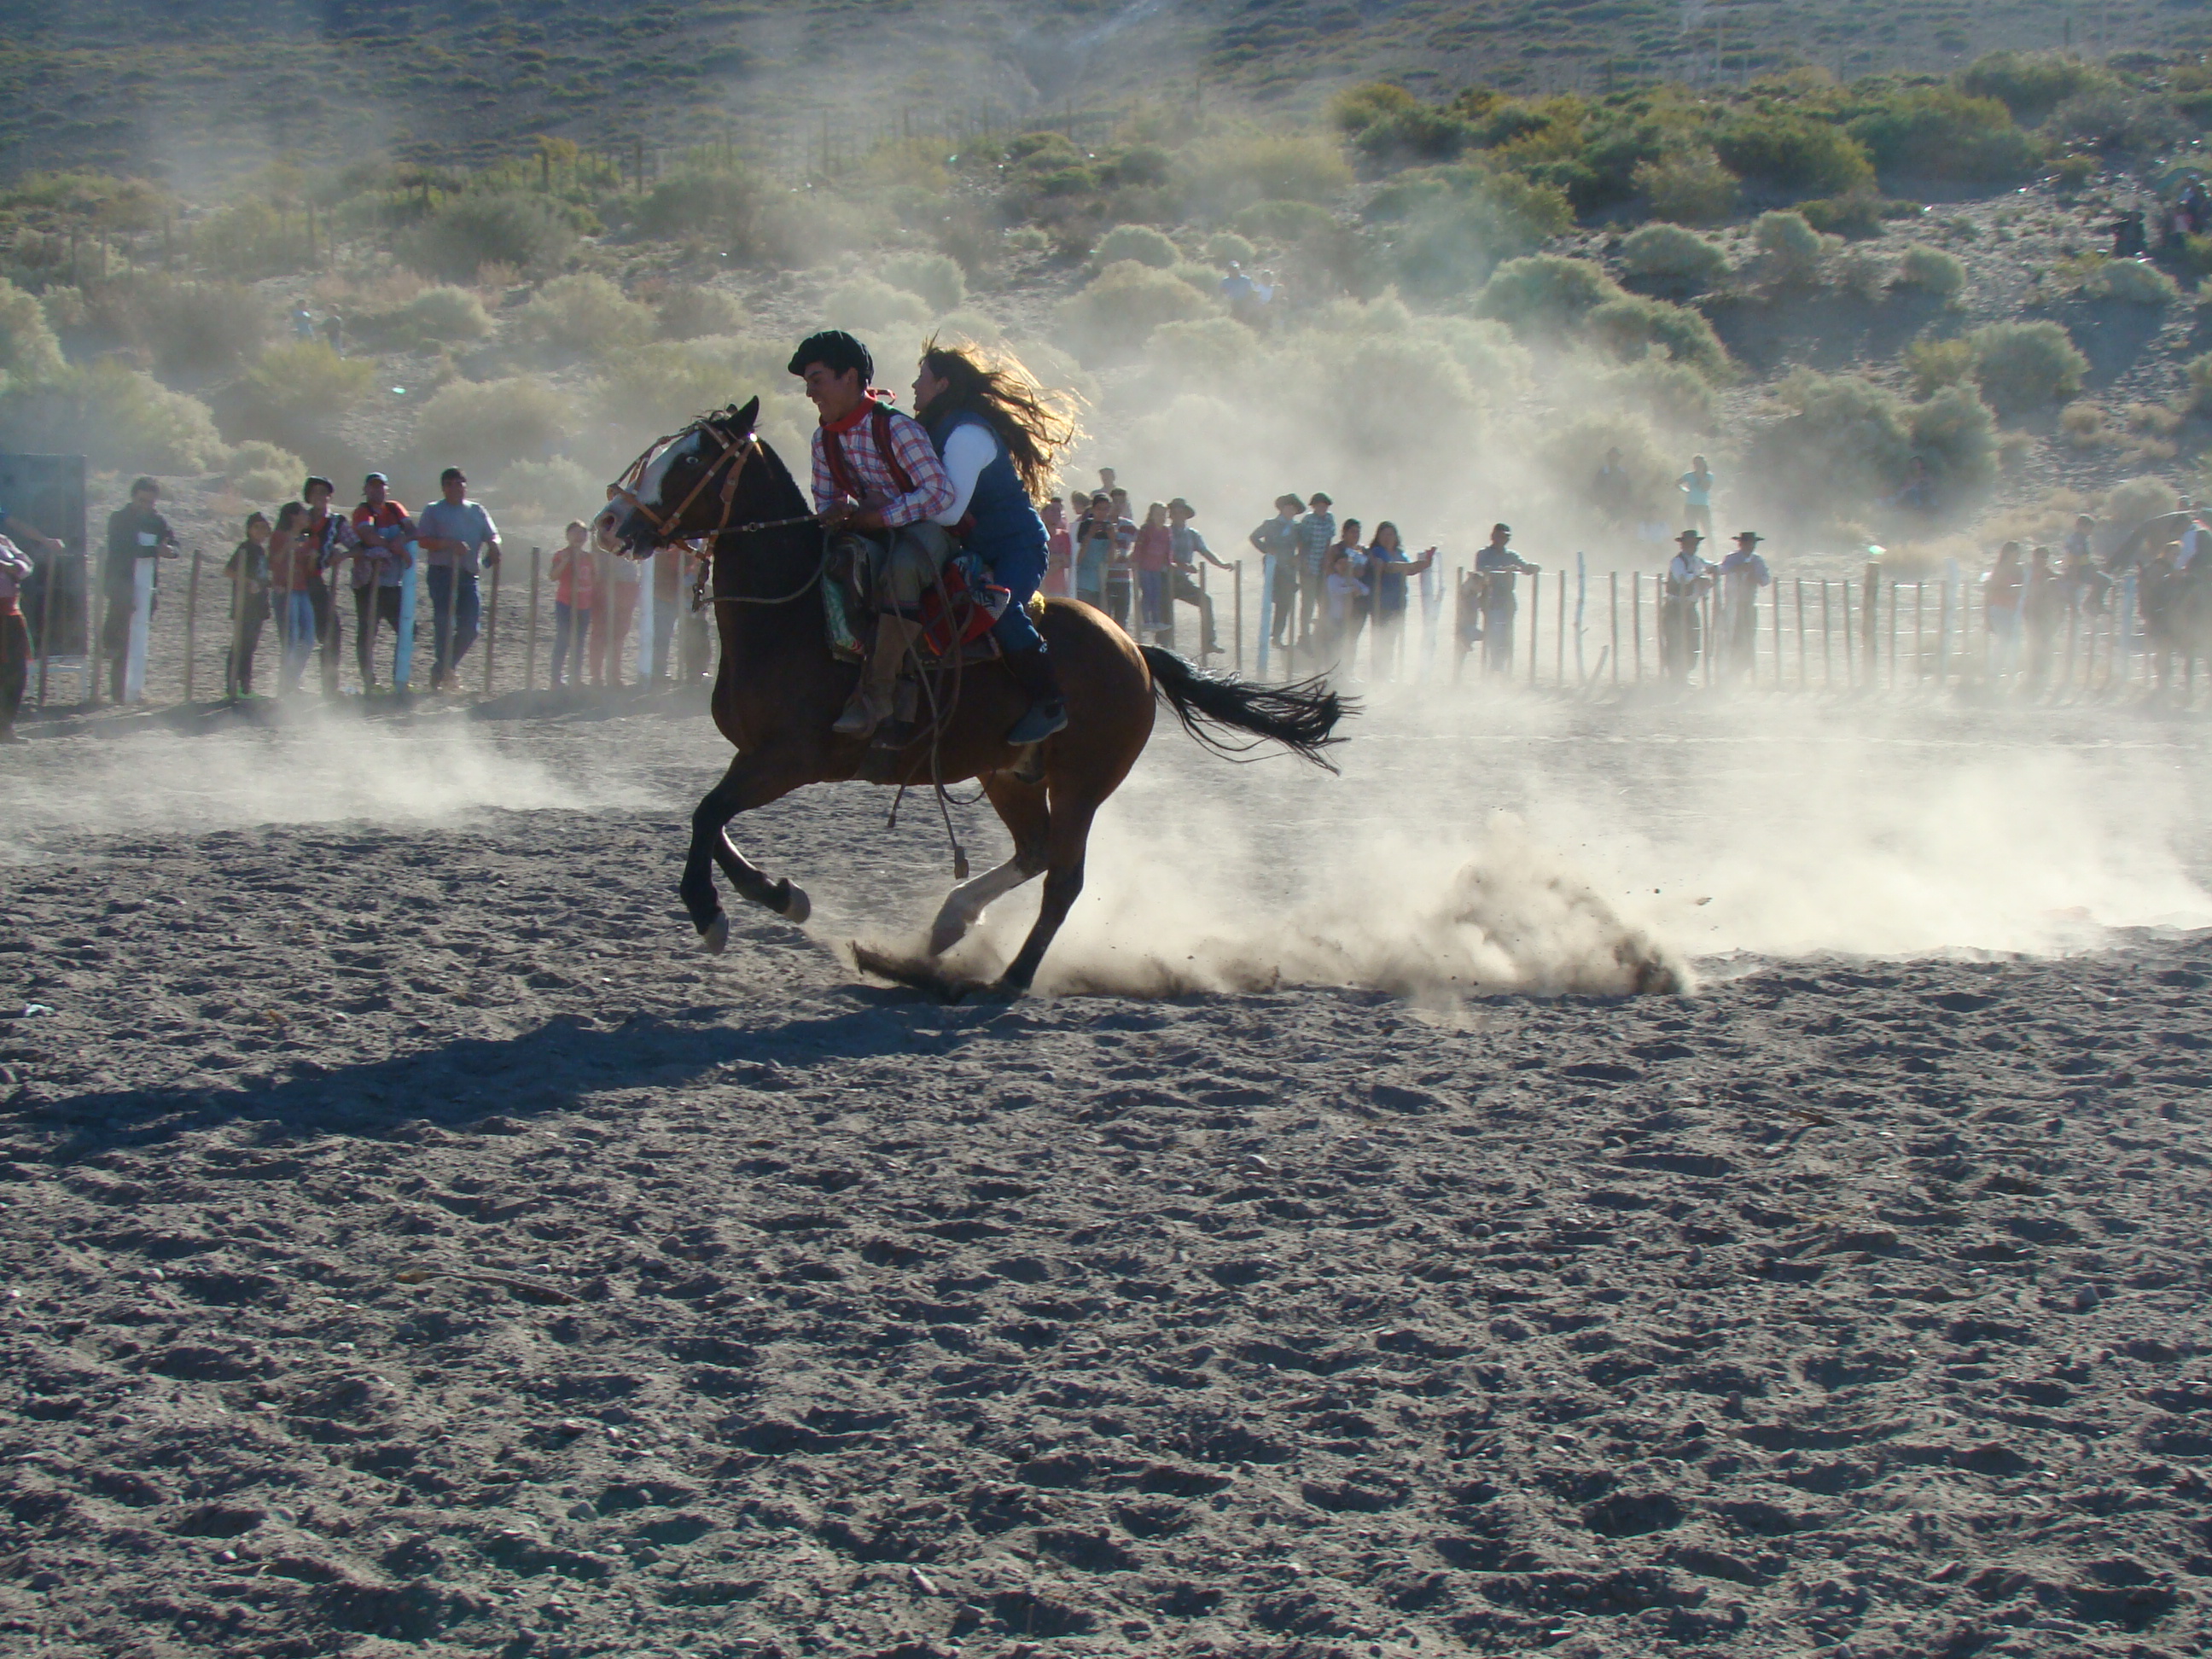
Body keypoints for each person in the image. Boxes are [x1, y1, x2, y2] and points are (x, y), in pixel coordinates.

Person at [910, 337, 1082, 742]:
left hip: (1017, 547)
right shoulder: (936, 429)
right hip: (977, 549)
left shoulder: (967, 435)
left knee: (998, 610)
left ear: (943, 385)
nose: (915, 386)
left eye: (922, 378)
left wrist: (893, 510)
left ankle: (1050, 702)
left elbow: (950, 512)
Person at [788, 329, 958, 738]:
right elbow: (827, 501)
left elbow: (940, 493)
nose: (810, 393)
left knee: (901, 569)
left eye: (817, 380)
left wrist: (881, 517)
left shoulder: (897, 429)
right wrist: (835, 516)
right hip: (871, 529)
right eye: (808, 384)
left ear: (850, 377)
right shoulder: (823, 440)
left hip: (927, 531)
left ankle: (879, 694)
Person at [415, 466, 501, 690]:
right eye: (449, 484)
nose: (454, 488)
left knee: (470, 628)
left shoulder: (477, 510)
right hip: (441, 573)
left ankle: (443, 668)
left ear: (465, 486)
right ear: (443, 488)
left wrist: (494, 545)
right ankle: (445, 672)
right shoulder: (433, 510)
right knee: (444, 623)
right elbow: (423, 540)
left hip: (468, 574)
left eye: (459, 483)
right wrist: (449, 544)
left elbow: (493, 534)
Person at [101, 476, 178, 702]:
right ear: (133, 497)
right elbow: (124, 548)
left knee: (140, 636)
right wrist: (155, 550)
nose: (146, 506)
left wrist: (171, 551)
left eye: (150, 502)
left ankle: (135, 688)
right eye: (142, 500)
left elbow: (174, 543)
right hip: (122, 583)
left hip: (147, 584)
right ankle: (119, 692)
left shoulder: (157, 521)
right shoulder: (119, 518)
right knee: (121, 639)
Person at [347, 472, 414, 691]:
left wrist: (401, 541)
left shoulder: (395, 508)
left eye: (381, 486)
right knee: (367, 635)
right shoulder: (363, 511)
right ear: (366, 490)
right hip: (368, 584)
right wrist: (394, 546)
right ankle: (370, 682)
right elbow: (368, 535)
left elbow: (412, 530)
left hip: (393, 584)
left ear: (387, 489)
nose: (377, 490)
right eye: (373, 486)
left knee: (408, 630)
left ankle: (400, 678)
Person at [294, 476, 358, 695]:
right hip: (293, 581)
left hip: (314, 582)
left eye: (324, 492)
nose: (320, 497)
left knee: (331, 632)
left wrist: (342, 555)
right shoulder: (300, 518)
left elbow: (357, 546)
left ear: (330, 496)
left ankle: (329, 686)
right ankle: (291, 684)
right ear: (309, 496)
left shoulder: (336, 523)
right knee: (297, 634)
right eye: (315, 492)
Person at [1365, 521, 1435, 681]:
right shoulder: (1377, 552)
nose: (1388, 538)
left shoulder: (1399, 553)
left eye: (1391, 534)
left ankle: (1386, 674)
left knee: (1391, 639)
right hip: (1380, 601)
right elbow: (1390, 567)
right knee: (1380, 639)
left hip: (1398, 601)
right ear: (1378, 536)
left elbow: (1410, 569)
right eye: (1384, 534)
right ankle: (1377, 675)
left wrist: (1424, 564)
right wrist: (1410, 566)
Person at [1166, 498, 1231, 655]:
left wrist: (1221, 564)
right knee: (1165, 613)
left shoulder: (1192, 534)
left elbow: (1205, 551)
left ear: (1186, 515)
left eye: (1181, 512)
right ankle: (1164, 646)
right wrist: (1181, 564)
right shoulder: (1164, 532)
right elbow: (1163, 555)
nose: (1178, 516)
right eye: (1174, 512)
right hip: (1165, 579)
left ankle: (1209, 642)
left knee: (1205, 601)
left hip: (1182, 580)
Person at [1474, 522, 1539, 675]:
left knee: (1506, 633)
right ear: (1493, 536)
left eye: (1506, 537)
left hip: (1507, 600)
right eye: (1500, 536)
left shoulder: (1511, 555)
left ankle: (1500, 664)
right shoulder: (1483, 554)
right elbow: (1482, 571)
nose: (1503, 539)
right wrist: (1504, 570)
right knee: (1493, 631)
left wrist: (1532, 567)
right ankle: (1494, 663)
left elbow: (1525, 567)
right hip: (1490, 599)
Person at [222, 512, 274, 697]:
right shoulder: (245, 548)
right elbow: (229, 571)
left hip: (259, 605)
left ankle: (245, 686)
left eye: (263, 527)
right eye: (256, 527)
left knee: (250, 646)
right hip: (245, 604)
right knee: (240, 645)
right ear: (249, 530)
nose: (260, 531)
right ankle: (232, 685)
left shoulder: (261, 551)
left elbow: (262, 577)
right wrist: (247, 582)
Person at [590, 504, 642, 686]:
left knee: (619, 635)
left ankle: (614, 676)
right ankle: (596, 676)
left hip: (626, 586)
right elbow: (596, 553)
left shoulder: (634, 528)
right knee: (600, 634)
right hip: (606, 586)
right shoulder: (602, 529)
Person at [546, 519, 597, 689]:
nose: (579, 537)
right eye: (575, 533)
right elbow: (553, 576)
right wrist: (565, 562)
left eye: (582, 534)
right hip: (565, 603)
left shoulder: (588, 557)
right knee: (563, 640)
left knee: (579, 643)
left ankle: (575, 677)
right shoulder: (561, 555)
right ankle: (555, 679)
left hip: (584, 605)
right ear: (567, 536)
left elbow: (594, 578)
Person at [1249, 493, 1303, 649]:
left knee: (1285, 603)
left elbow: (1303, 545)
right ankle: (1266, 633)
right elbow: (1254, 537)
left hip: (1288, 568)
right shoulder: (1270, 524)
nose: (1290, 511)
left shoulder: (1297, 528)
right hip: (1273, 566)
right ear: (1282, 508)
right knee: (1271, 597)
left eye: (1293, 508)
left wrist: (1297, 557)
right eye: (1288, 507)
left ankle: (1277, 635)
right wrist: (1266, 549)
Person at [1715, 531, 1771, 682]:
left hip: (1748, 604)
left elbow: (1766, 580)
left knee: (1747, 638)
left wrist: (1756, 576)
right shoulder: (1732, 558)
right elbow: (1721, 570)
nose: (1750, 546)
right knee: (1731, 637)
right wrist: (1737, 568)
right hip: (1733, 604)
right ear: (1740, 544)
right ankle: (1729, 670)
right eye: (1747, 543)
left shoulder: (1758, 561)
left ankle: (1740, 670)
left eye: (1752, 544)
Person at [1660, 528, 1712, 683]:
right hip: (1675, 607)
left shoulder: (1697, 560)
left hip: (1690, 607)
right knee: (1676, 642)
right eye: (1690, 544)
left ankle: (1684, 675)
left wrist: (1712, 570)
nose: (1693, 547)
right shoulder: (1677, 562)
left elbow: (1710, 566)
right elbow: (1683, 578)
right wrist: (1699, 577)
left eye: (1694, 544)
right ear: (1683, 545)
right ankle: (1676, 678)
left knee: (1692, 641)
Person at [0, 534, 35, 738]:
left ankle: (5, 727)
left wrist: (13, 564)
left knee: (15, 673)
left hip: (10, 616)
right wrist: (7, 566)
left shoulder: (3, 542)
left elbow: (26, 566)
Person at [1324, 521, 1370, 661]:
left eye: (1357, 532)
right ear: (1344, 533)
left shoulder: (1363, 551)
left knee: (1352, 637)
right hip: (1338, 601)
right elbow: (1329, 570)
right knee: (1335, 638)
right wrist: (1348, 573)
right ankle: (1332, 665)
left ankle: (1349, 667)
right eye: (1352, 531)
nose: (1355, 535)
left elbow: (1364, 572)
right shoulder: (1336, 550)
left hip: (1358, 601)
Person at [1983, 540, 2026, 684]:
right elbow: (1990, 592)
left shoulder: (2019, 570)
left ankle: (2009, 673)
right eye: (2016, 552)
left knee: (2013, 643)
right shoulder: (2000, 570)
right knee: (2004, 641)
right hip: (1999, 609)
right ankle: (1994, 673)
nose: (2018, 555)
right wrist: (1986, 617)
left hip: (2013, 610)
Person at [1296, 492, 1336, 646]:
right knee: (1308, 602)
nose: (1322, 508)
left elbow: (1329, 539)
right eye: (1319, 506)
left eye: (1325, 506)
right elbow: (1302, 542)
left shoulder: (1329, 519)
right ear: (1313, 506)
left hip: (1322, 566)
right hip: (1309, 565)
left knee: (1324, 601)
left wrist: (1327, 558)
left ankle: (1320, 632)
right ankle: (1304, 634)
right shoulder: (1308, 520)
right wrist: (1304, 563)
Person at [2023, 544, 2062, 691]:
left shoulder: (2047, 573)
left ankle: (2042, 675)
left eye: (2045, 558)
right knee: (2034, 643)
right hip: (2031, 613)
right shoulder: (2028, 571)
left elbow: (2057, 581)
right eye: (2040, 557)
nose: (2042, 560)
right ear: (2034, 557)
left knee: (2044, 643)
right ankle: (2033, 675)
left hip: (2044, 614)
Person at [1131, 501, 1173, 641]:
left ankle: (1156, 620)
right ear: (1152, 515)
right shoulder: (1146, 529)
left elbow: (1168, 549)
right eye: (1158, 514)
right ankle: (1146, 621)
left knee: (1157, 594)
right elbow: (1139, 546)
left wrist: (1169, 563)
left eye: (1164, 514)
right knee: (1148, 593)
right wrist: (1135, 561)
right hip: (1144, 567)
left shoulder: (1166, 530)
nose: (1161, 517)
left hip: (1157, 568)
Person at [1677, 455, 1716, 538]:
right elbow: (1677, 483)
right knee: (1691, 530)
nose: (1698, 465)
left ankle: (1711, 547)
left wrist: (1700, 476)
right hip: (1690, 506)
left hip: (1703, 506)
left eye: (1700, 463)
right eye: (1696, 463)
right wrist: (1685, 490)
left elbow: (1705, 488)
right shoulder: (1688, 475)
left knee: (1707, 530)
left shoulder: (1709, 476)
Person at [1042, 496, 1074, 598]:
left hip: (1059, 589)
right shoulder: (1038, 535)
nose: (1056, 514)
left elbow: (1068, 561)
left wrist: (1052, 561)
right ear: (1043, 514)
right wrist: (1059, 558)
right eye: (1052, 510)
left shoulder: (1065, 535)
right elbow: (1039, 560)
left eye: (1059, 511)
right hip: (1041, 587)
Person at [1592, 446, 1633, 524]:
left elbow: (1628, 491)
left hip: (1618, 507)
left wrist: (1624, 506)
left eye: (1617, 456)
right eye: (1613, 456)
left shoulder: (1623, 474)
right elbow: (1596, 488)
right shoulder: (1602, 472)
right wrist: (1600, 501)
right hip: (1603, 506)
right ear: (1609, 457)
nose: (1614, 459)